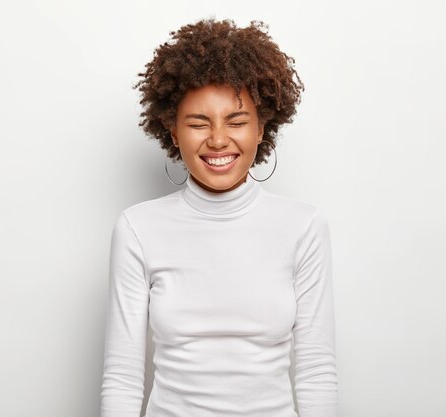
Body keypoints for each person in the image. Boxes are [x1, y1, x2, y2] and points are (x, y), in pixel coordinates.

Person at [100, 17, 338, 417]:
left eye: (237, 121)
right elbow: (122, 377)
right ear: (172, 132)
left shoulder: (304, 226)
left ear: (262, 128)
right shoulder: (138, 229)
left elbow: (316, 372)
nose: (217, 140)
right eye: (197, 123)